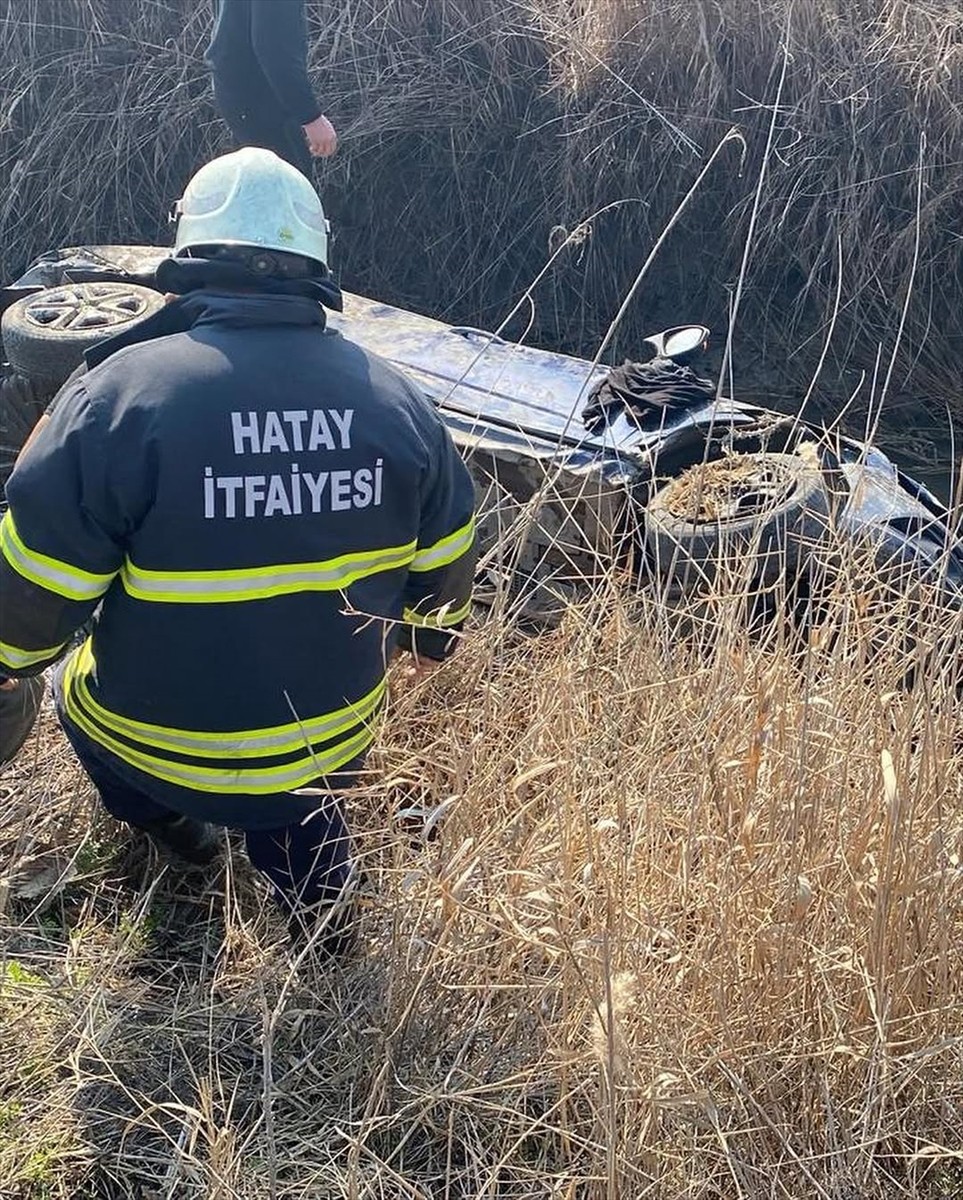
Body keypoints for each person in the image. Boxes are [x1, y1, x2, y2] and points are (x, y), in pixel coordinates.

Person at [0, 148, 477, 952]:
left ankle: (179, 838)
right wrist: (428, 637)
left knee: (65, 697)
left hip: (152, 742)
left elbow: (30, 599)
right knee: (300, 812)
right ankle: (325, 937)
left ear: (186, 256)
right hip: (327, 738)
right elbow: (448, 570)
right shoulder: (399, 402)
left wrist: (15, 657)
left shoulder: (117, 393)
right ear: (316, 264)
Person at [206, 0, 337, 178]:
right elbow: (273, 48)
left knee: (256, 185)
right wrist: (311, 117)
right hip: (262, 96)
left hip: (236, 91)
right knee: (285, 188)